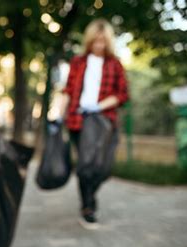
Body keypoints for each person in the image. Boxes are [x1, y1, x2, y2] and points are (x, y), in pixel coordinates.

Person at [48, 19, 129, 230]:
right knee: (85, 166)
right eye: (95, 41)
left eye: (103, 41)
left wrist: (99, 106)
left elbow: (122, 94)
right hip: (78, 120)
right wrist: (57, 115)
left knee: (102, 168)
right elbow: (67, 90)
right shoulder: (78, 62)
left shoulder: (115, 64)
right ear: (90, 41)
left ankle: (89, 198)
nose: (99, 45)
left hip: (103, 121)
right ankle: (88, 207)